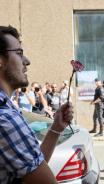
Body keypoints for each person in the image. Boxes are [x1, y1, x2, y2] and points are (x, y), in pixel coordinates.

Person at [0, 25, 73, 183]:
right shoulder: (5, 119)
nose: (27, 61)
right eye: (19, 53)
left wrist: (56, 128)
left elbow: (31, 169)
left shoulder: (7, 110)